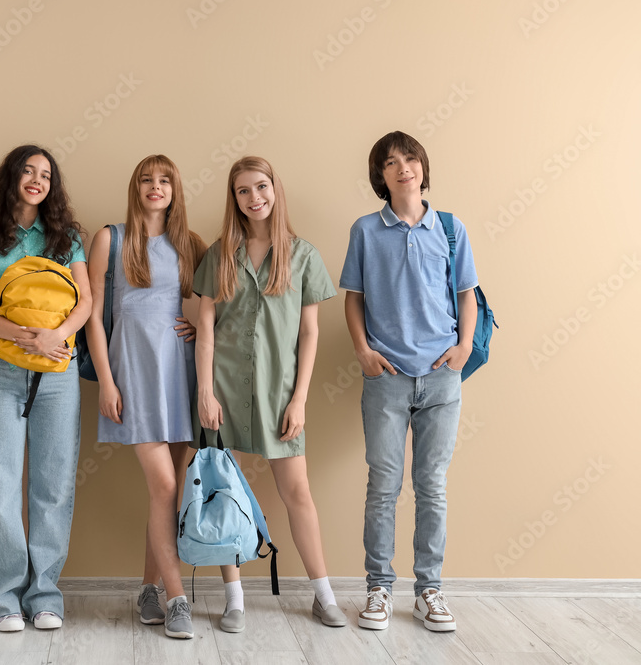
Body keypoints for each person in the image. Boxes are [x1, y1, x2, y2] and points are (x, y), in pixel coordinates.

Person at [194, 156, 345, 633]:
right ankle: (233, 599)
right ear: (233, 199)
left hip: (280, 394)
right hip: (223, 391)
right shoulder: (219, 254)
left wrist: (299, 399)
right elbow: (204, 328)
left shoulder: (302, 255)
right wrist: (204, 391)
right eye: (243, 190)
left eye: (261, 187)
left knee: (297, 492)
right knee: (223, 494)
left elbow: (310, 334)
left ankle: (324, 595)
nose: (254, 197)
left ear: (275, 190)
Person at [340, 131, 478, 632]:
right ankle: (378, 588)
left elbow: (467, 293)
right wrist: (363, 351)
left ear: (423, 167)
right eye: (392, 162)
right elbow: (353, 297)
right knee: (383, 486)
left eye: (411, 159)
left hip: (442, 377)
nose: (404, 168)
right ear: (381, 175)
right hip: (387, 377)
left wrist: (463, 348)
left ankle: (429, 591)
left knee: (432, 487)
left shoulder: (451, 228)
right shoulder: (365, 230)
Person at [0, 144, 92, 633]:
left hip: (58, 371)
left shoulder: (67, 237)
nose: (37, 179)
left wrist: (56, 336)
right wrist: (22, 335)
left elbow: (85, 300)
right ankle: (2, 600)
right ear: (12, 178)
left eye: (45, 174)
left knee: (53, 485)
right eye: (28, 171)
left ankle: (45, 596)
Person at [86, 155, 206, 639]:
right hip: (134, 369)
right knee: (163, 487)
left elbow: (213, 308)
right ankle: (177, 599)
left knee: (172, 493)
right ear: (135, 188)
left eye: (164, 180)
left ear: (175, 190)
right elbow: (92, 315)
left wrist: (199, 327)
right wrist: (107, 380)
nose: (155, 187)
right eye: (146, 180)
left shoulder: (191, 244)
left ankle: (148, 589)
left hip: (181, 371)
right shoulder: (109, 239)